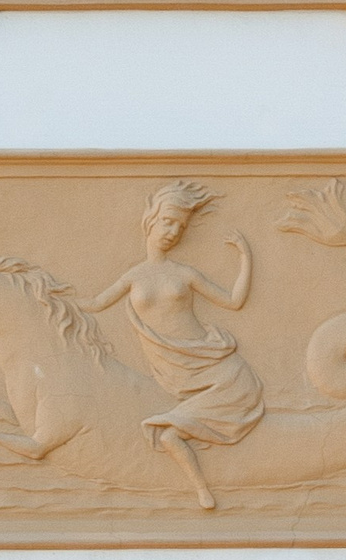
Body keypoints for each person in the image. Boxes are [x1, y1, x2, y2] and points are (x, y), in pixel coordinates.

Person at [87, 179, 263, 511]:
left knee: (168, 435)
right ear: (150, 220)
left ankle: (201, 490)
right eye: (168, 221)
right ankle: (201, 489)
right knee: (169, 435)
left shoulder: (185, 273)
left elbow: (234, 301)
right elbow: (95, 303)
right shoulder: (133, 276)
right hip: (179, 372)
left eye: (180, 227)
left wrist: (246, 257)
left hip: (219, 369)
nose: (173, 232)